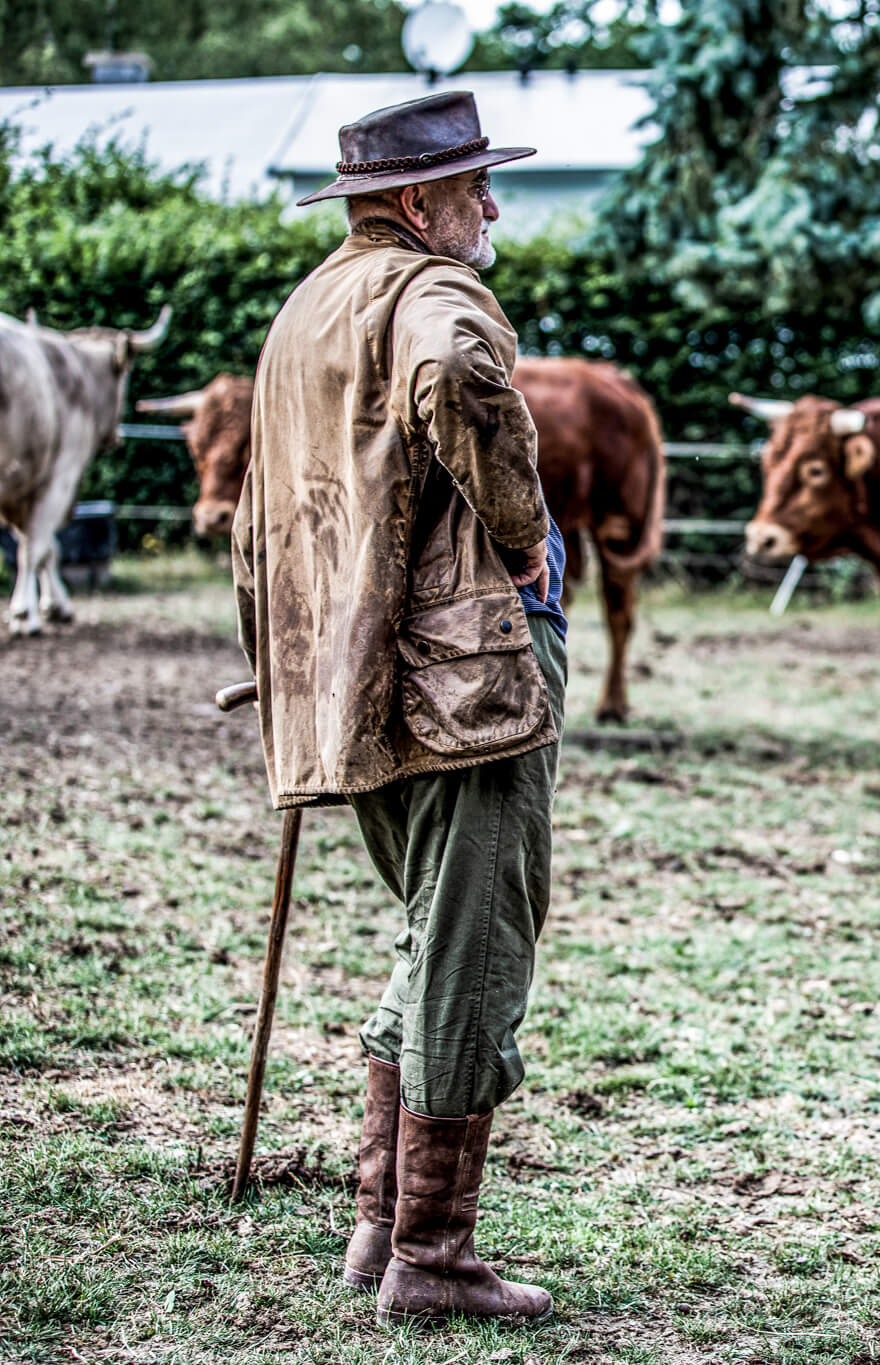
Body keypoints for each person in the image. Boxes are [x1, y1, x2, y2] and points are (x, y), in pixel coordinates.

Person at [231, 90, 569, 1328]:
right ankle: (433, 1255)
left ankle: (383, 1223)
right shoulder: (435, 296)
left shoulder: (308, 306)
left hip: (354, 680)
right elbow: (461, 379)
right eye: (474, 187)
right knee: (474, 945)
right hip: (464, 679)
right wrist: (524, 540)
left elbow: (256, 517)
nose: (489, 207)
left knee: (435, 933)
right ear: (416, 204)